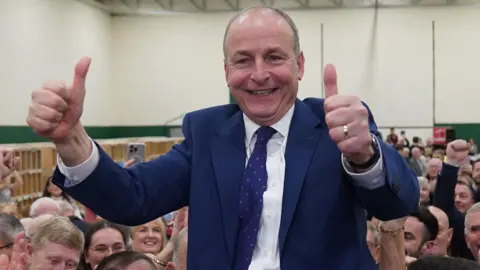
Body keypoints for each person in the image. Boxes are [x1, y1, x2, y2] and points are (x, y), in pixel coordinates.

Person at [25, 6, 419, 270]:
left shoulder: (336, 124)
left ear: (300, 65)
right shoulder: (206, 133)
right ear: (226, 70)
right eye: (243, 60)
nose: (259, 74)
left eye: (275, 57)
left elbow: (396, 202)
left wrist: (364, 156)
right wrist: (71, 139)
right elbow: (132, 198)